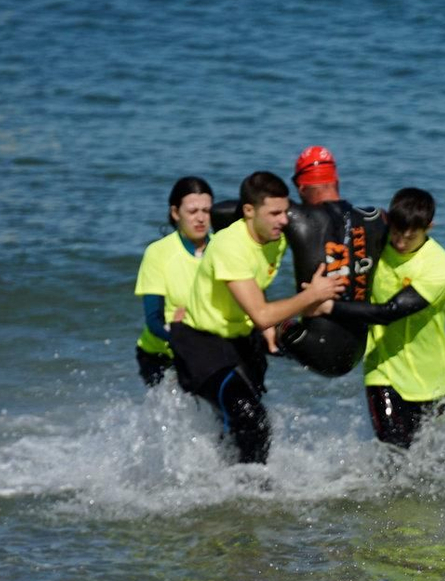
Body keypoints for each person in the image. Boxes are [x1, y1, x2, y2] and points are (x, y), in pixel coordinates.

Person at [166, 171, 345, 464]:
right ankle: (248, 491)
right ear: (249, 211)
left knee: (245, 421)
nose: (284, 220)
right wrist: (313, 296)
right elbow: (262, 315)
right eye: (274, 213)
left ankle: (239, 484)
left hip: (241, 336)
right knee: (251, 417)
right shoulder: (229, 247)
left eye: (285, 212)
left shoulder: (273, 235)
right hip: (202, 344)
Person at [326, 187, 445, 448]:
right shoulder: (377, 243)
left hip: (430, 377)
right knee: (393, 450)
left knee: (430, 462)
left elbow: (389, 313)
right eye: (396, 233)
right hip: (382, 371)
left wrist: (328, 307)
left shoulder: (439, 267)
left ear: (429, 227)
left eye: (410, 237)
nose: (400, 242)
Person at [274, 145, 390, 377]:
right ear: (336, 182)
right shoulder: (378, 219)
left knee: (255, 318)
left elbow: (222, 211)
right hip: (356, 352)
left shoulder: (297, 218)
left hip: (311, 346)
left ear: (301, 187)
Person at [132, 177, 212, 386]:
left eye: (206, 211)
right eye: (193, 212)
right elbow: (153, 320)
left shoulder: (222, 249)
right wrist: (180, 336)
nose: (201, 218)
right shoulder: (158, 253)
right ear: (175, 213)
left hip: (209, 347)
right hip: (160, 353)